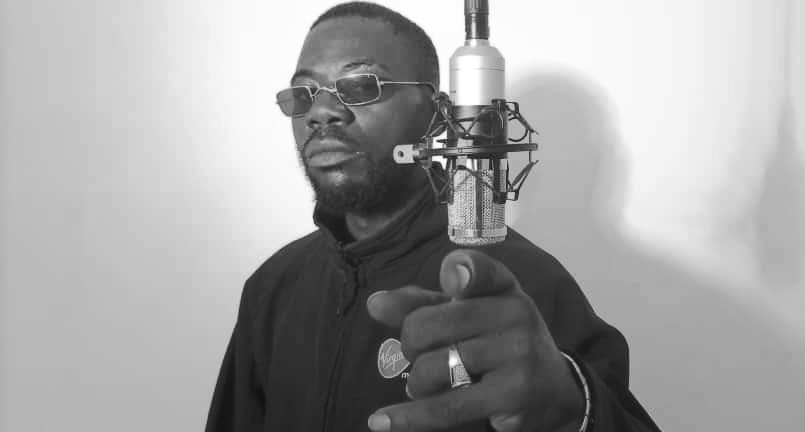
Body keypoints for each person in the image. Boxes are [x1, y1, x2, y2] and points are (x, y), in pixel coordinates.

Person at [205, 2, 662, 431]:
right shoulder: (273, 288)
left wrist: (569, 409)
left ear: (439, 113)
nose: (322, 112)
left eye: (361, 86)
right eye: (303, 94)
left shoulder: (525, 282)